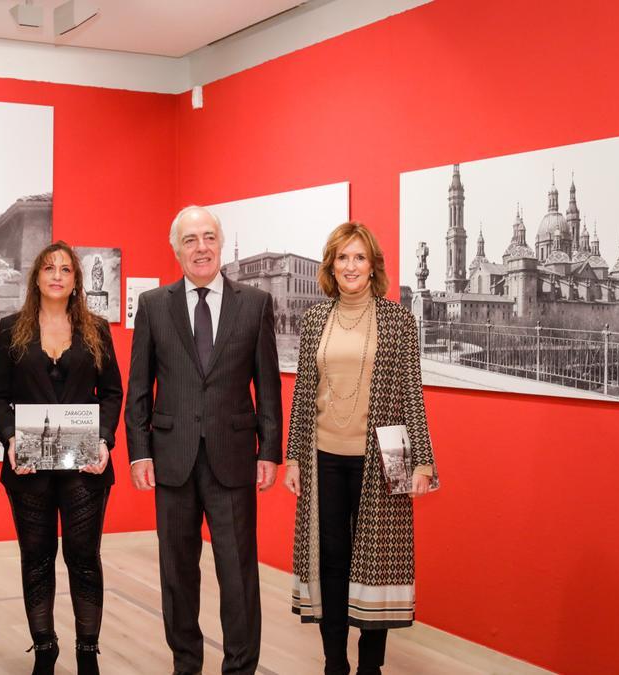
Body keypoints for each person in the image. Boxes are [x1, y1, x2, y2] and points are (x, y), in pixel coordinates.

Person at [125, 206, 282, 675]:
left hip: (233, 458)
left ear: (220, 242)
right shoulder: (154, 306)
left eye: (209, 237)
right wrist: (139, 453)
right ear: (176, 250)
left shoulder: (254, 304)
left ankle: (240, 668)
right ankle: (186, 664)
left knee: (237, 574)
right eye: (190, 239)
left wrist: (270, 450)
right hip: (171, 458)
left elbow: (267, 385)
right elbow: (139, 388)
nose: (201, 247)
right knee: (177, 574)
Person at [283, 222, 438, 675]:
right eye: (342, 257)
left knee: (376, 564)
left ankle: (371, 668)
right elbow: (304, 392)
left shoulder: (398, 320)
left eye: (359, 257)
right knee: (331, 560)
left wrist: (423, 461)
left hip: (384, 459)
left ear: (373, 267)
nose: (350, 266)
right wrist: (293, 456)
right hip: (323, 459)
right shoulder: (316, 319)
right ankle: (335, 663)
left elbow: (412, 391)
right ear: (331, 265)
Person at [0, 242, 123, 675]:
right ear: (37, 277)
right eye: (49, 268)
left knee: (84, 557)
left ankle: (88, 653)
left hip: (85, 465)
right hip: (28, 466)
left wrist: (104, 440)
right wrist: (9, 439)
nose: (58, 275)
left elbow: (113, 393)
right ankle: (44, 649)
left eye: (66, 269)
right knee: (37, 556)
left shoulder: (97, 329)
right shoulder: (10, 329)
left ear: (76, 280)